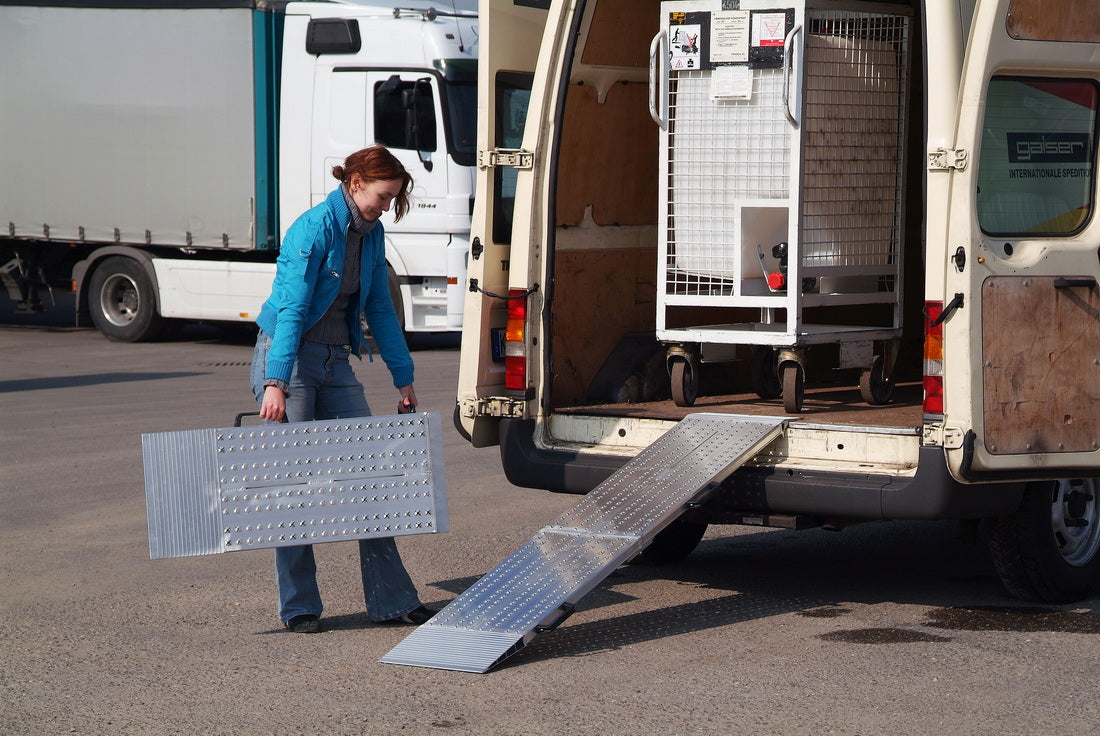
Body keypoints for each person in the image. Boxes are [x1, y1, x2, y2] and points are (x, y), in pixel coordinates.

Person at [250, 145, 436, 633]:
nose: (385, 207)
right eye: (382, 196)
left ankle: (393, 600)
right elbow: (291, 309)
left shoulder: (371, 236)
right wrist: (275, 382)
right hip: (288, 360)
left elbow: (380, 310)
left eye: (393, 199)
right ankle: (300, 607)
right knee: (293, 489)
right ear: (355, 183)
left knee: (370, 478)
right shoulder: (314, 228)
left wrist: (404, 377)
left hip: (334, 363)